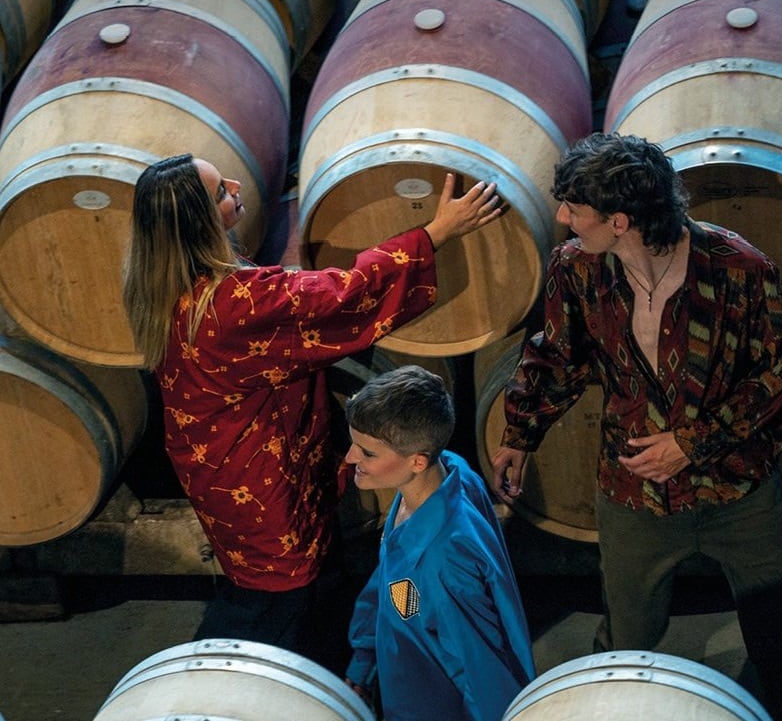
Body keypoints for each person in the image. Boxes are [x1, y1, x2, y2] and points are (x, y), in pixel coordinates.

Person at [490, 132, 782, 721]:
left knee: (775, 640)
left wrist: (692, 443)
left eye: (573, 209)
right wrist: (520, 433)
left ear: (620, 220)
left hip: (736, 489)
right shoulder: (576, 268)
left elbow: (779, 370)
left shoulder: (739, 269)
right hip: (634, 491)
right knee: (625, 636)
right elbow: (558, 356)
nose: (562, 218)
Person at [122, 154, 502, 660]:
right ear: (198, 221)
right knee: (280, 603)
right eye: (219, 192)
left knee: (265, 584)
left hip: (220, 470)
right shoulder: (235, 302)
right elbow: (339, 296)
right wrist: (434, 233)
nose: (236, 185)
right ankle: (242, 688)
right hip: (260, 479)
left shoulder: (161, 283)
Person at [343, 365, 535, 721]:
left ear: (416, 460)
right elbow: (390, 581)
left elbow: (481, 671)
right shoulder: (446, 471)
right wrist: (364, 660)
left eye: (367, 453)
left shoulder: (442, 562)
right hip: (402, 680)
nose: (350, 458)